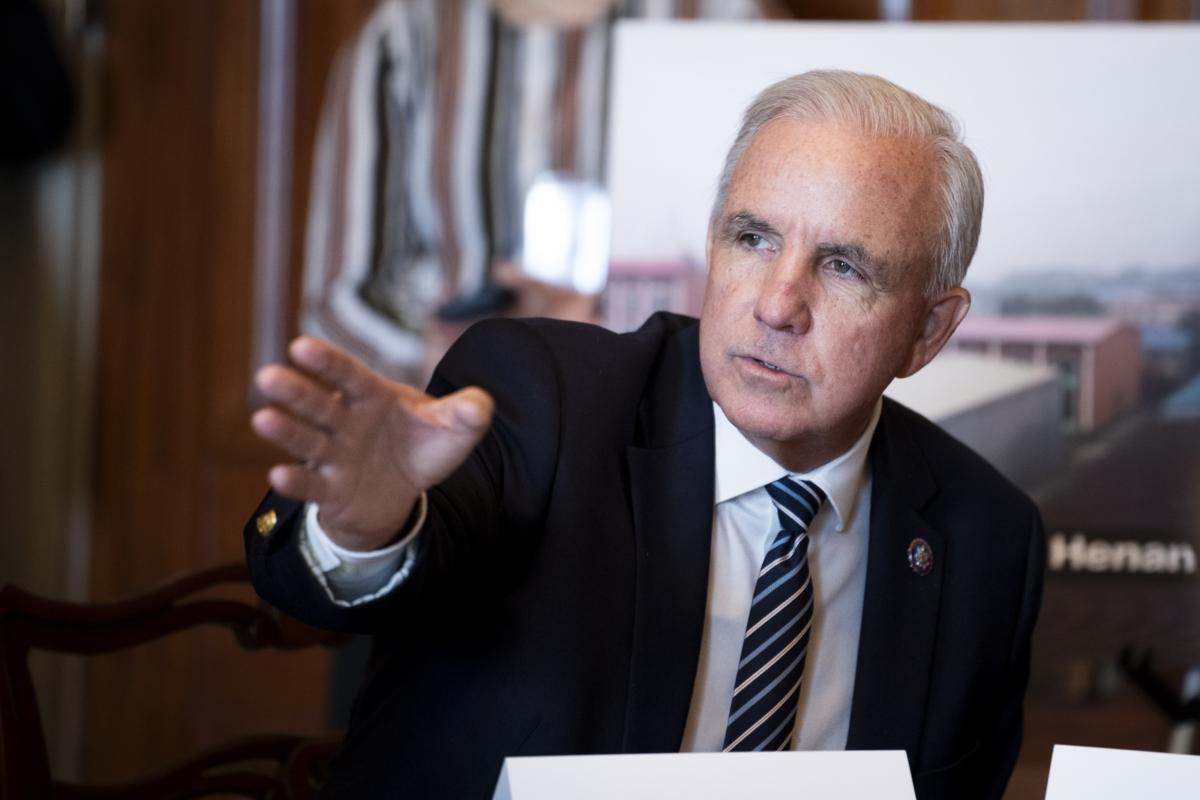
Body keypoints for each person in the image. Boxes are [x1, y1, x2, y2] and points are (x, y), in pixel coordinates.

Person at [245, 70, 1045, 799]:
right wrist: (364, 526)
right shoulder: (547, 396)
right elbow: (343, 575)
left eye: (842, 267)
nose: (776, 304)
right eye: (753, 238)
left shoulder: (987, 540)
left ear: (929, 331)